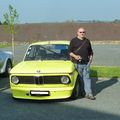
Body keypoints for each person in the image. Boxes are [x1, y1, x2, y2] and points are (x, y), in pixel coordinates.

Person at [68, 27, 95, 100]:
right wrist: (75, 56)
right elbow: (69, 52)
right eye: (80, 32)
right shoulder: (73, 41)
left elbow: (91, 52)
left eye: (83, 32)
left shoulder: (87, 41)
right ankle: (82, 92)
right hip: (77, 63)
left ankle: (89, 93)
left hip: (86, 64)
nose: (82, 33)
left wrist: (91, 58)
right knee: (80, 79)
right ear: (77, 33)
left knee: (87, 79)